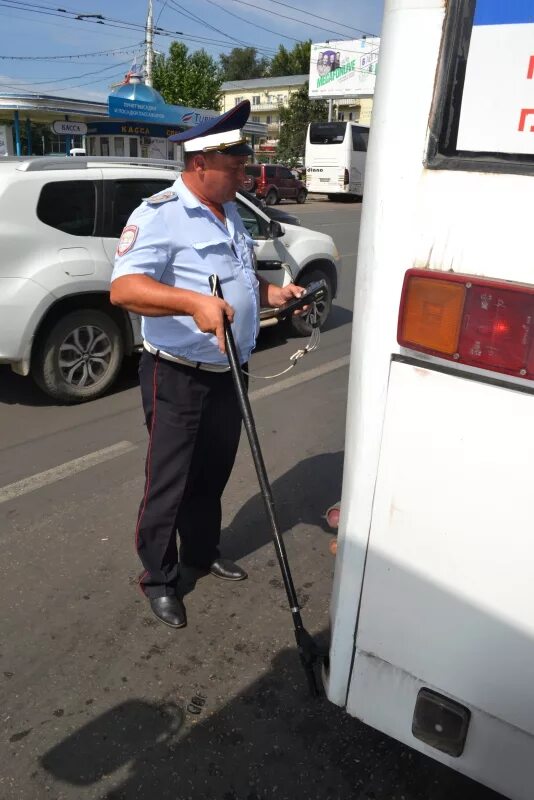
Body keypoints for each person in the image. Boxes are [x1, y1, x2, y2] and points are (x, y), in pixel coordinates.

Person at [110, 100, 305, 629]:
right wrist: (191, 303)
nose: (245, 173)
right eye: (236, 166)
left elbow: (236, 281)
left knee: (212, 473)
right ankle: (160, 577)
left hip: (229, 372)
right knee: (169, 482)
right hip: (178, 374)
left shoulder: (230, 208)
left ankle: (200, 551)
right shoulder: (160, 214)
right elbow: (125, 288)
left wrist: (276, 292)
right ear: (201, 164)